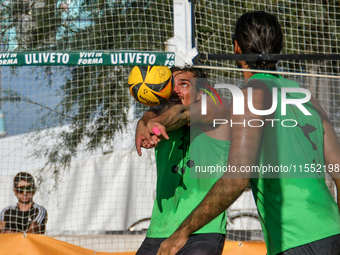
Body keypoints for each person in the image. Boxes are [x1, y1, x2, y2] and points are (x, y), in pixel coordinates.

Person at [157, 11, 340, 255]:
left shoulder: (249, 98)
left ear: (236, 47)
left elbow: (236, 180)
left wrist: (182, 233)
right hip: (332, 233)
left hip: (298, 241)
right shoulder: (308, 99)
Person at [135, 66, 231, 255]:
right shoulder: (157, 118)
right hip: (159, 229)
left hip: (202, 229)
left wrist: (155, 122)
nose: (175, 90)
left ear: (199, 93)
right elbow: (157, 110)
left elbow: (182, 113)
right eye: (171, 84)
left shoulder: (216, 110)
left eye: (184, 84)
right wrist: (143, 122)